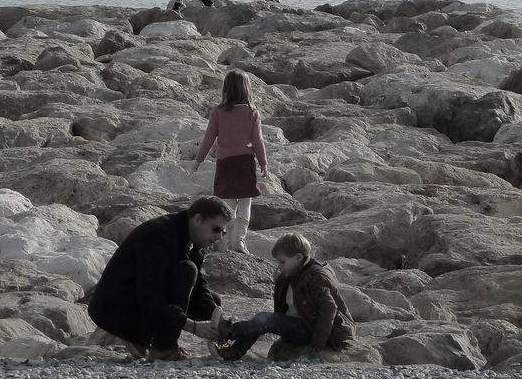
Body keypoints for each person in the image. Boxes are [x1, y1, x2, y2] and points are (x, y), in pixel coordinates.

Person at [87, 196, 233, 360]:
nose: (220, 237)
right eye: (217, 229)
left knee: (213, 302)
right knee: (187, 270)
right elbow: (148, 295)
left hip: (141, 300)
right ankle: (163, 348)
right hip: (115, 309)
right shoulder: (159, 235)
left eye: (223, 232)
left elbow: (198, 287)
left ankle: (153, 341)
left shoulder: (195, 241)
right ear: (198, 219)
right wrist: (192, 326)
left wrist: (219, 321)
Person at [216, 232, 355, 361]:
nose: (278, 266)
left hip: (311, 329)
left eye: (282, 262)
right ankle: (234, 351)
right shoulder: (290, 274)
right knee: (262, 322)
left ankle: (230, 331)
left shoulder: (316, 278)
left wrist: (318, 342)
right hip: (298, 323)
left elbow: (329, 307)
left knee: (265, 320)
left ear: (298, 258)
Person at [193, 70, 268, 252]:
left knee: (227, 204)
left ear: (226, 89)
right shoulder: (252, 113)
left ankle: (225, 241)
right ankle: (239, 241)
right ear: (246, 89)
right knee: (245, 201)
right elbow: (258, 141)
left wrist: (198, 160)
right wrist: (263, 162)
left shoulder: (219, 112)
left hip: (225, 164)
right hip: (245, 163)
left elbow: (209, 138)